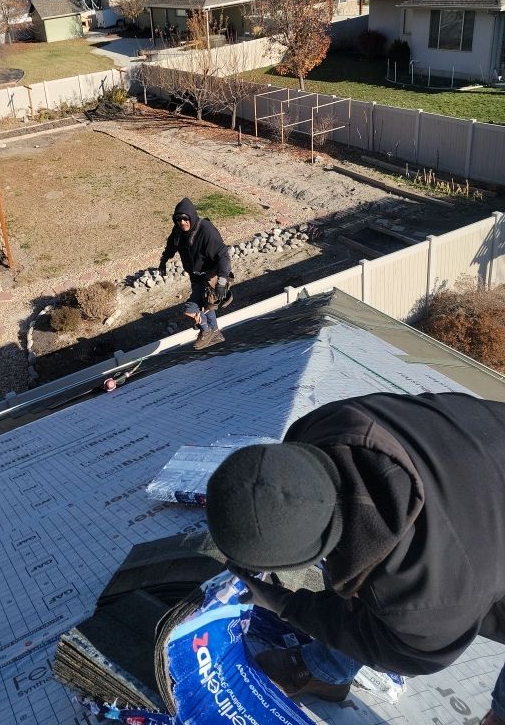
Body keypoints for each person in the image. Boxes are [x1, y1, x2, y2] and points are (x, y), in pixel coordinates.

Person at [205, 392, 505, 724]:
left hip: (476, 523)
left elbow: (385, 642)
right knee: (360, 577)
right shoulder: (327, 424)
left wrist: (287, 605)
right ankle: (327, 671)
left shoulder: (427, 604)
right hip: (486, 448)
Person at [159, 197, 231, 350]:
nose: (182, 222)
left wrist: (222, 281)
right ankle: (216, 333)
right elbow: (171, 246)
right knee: (207, 305)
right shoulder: (178, 232)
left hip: (211, 275)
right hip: (195, 275)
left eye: (185, 219)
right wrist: (164, 260)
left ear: (191, 216)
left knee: (191, 309)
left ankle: (205, 330)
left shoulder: (206, 230)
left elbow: (223, 255)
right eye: (178, 219)